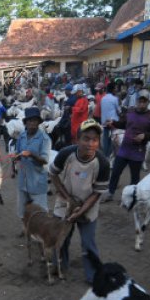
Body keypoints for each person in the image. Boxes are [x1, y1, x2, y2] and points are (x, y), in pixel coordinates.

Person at [49, 119, 110, 284]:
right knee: (60, 238)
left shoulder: (103, 163)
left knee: (88, 242)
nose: (90, 143)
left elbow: (97, 192)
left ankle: (93, 275)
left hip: (88, 206)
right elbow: (53, 174)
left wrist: (80, 211)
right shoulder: (66, 154)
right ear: (77, 139)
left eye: (95, 140)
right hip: (65, 201)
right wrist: (68, 199)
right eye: (86, 138)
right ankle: (59, 266)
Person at [102, 91, 150, 203]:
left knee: (134, 177)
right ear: (136, 101)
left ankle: (131, 197)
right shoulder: (130, 113)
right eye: (140, 101)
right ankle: (110, 193)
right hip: (124, 149)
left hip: (137, 152)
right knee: (115, 172)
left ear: (148, 102)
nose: (142, 104)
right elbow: (124, 124)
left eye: (145, 102)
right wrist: (113, 123)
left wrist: (145, 136)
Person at [15, 107, 51, 220]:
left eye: (35, 120)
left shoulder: (45, 139)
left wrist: (31, 154)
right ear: (25, 123)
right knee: (22, 210)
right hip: (23, 180)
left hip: (37, 181)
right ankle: (25, 229)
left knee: (40, 212)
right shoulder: (21, 136)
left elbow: (45, 160)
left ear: (38, 122)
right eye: (29, 120)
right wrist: (15, 158)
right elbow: (17, 154)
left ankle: (40, 234)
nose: (32, 123)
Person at [100, 83, 120, 158]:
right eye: (115, 88)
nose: (116, 90)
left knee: (106, 140)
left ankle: (105, 155)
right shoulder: (115, 99)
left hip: (105, 122)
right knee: (113, 139)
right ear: (112, 89)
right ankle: (110, 155)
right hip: (113, 122)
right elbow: (118, 110)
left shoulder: (103, 98)